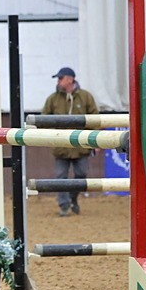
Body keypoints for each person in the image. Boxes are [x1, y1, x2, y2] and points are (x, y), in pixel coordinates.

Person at [41, 66, 99, 216]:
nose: (59, 81)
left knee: (81, 174)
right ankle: (64, 204)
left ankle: (73, 198)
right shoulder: (52, 99)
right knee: (60, 177)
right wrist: (50, 137)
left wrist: (95, 140)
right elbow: (43, 118)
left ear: (70, 79)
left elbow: (94, 119)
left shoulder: (86, 97)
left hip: (81, 145)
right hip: (60, 146)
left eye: (61, 78)